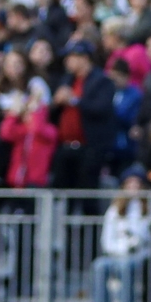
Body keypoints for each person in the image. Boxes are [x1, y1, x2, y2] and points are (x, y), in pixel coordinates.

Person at [49, 41, 115, 193]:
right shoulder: (66, 80)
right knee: (63, 192)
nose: (67, 61)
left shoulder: (102, 81)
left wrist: (74, 100)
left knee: (86, 192)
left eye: (71, 57)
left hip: (89, 148)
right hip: (64, 146)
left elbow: (101, 108)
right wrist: (56, 102)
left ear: (84, 58)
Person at [91, 165, 151, 302]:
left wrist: (132, 242)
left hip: (140, 255)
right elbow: (106, 239)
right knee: (99, 266)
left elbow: (146, 235)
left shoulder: (149, 207)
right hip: (117, 254)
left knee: (126, 267)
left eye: (137, 183)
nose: (134, 187)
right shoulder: (114, 209)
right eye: (130, 183)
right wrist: (121, 248)